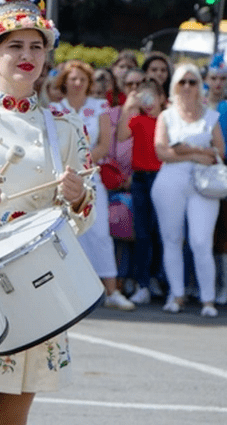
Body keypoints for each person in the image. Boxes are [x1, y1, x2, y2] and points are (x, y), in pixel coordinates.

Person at [0, 0, 95, 425]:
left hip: (38, 281)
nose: (27, 55)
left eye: (36, 45)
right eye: (14, 45)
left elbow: (83, 218)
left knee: (14, 418)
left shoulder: (64, 128)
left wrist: (77, 198)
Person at [53, 60, 135, 310]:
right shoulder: (55, 108)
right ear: (64, 81)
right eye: (72, 78)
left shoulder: (99, 107)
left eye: (82, 79)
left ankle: (111, 290)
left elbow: (103, 144)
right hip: (63, 179)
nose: (77, 83)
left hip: (91, 176)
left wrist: (83, 165)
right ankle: (73, 292)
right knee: (68, 236)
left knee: (99, 233)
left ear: (89, 83)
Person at [151, 63, 224, 317]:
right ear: (175, 86)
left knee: (201, 241)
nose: (187, 87)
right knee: (171, 240)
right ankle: (177, 295)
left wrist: (183, 149)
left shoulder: (211, 116)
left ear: (199, 86)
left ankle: (208, 300)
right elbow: (161, 151)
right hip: (170, 180)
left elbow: (219, 152)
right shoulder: (166, 116)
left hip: (204, 184)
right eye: (182, 82)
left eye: (192, 82)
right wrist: (196, 153)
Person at [117, 77, 165, 305]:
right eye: (143, 97)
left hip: (162, 178)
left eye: (151, 97)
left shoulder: (167, 120)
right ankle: (142, 283)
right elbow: (122, 135)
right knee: (142, 233)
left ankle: (155, 277)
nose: (148, 102)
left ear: (161, 98)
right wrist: (130, 105)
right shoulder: (138, 119)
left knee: (159, 233)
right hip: (140, 179)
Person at [206, 52, 227, 304]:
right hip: (199, 168)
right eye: (214, 78)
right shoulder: (198, 105)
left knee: (223, 231)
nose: (219, 83)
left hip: (221, 170)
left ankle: (223, 285)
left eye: (223, 78)